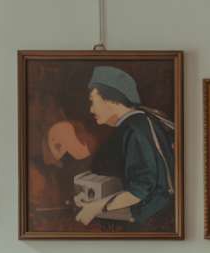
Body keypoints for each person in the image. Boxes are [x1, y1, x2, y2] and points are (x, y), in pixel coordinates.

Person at [74, 65, 175, 227]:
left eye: (93, 101)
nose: (91, 109)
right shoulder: (143, 121)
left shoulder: (133, 130)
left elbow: (139, 190)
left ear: (110, 99)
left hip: (150, 221)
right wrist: (93, 199)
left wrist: (96, 207)